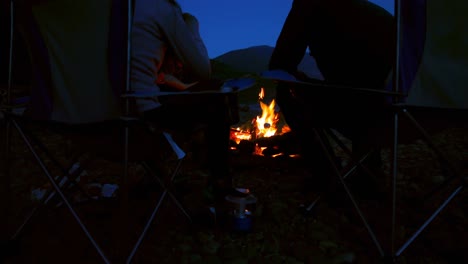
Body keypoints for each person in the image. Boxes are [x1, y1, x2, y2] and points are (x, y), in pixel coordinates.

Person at [268, 0, 396, 199]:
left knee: (286, 92)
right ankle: (369, 170)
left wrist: (299, 79)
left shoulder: (310, 5)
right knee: (364, 91)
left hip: (358, 108)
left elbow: (279, 64)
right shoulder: (375, 13)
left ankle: (326, 173)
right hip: (404, 111)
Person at [131, 0, 237, 202]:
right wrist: (191, 26)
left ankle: (157, 173)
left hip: (83, 117)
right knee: (217, 95)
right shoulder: (159, 7)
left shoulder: (107, 10)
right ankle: (221, 186)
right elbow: (203, 70)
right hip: (138, 119)